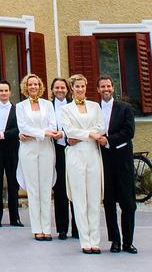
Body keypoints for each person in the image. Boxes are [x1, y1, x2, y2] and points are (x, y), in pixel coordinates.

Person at [60, 74, 104, 254]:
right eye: (77, 87)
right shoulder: (66, 110)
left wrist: (84, 135)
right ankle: (85, 240)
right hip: (76, 155)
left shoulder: (95, 107)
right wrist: (90, 134)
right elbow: (69, 130)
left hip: (93, 153)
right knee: (79, 198)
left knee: (94, 198)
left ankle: (96, 240)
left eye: (82, 86)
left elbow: (101, 127)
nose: (80, 89)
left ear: (86, 87)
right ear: (72, 89)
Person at [97, 76, 138, 254]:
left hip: (122, 161)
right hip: (103, 161)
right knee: (109, 203)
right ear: (98, 90)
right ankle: (115, 241)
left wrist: (108, 141)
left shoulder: (125, 108)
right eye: (102, 87)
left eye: (108, 86)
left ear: (113, 88)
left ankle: (128, 242)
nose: (106, 89)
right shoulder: (94, 109)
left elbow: (129, 132)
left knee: (128, 204)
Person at [16, 74, 58, 241]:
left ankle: (47, 228)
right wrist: (42, 133)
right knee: (33, 188)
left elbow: (52, 125)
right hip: (28, 149)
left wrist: (37, 133)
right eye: (30, 84)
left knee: (45, 187)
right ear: (26, 87)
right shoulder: (20, 106)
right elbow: (23, 127)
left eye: (36, 84)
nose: (33, 87)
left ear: (40, 86)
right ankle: (37, 228)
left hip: (46, 148)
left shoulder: (48, 105)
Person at [0, 81, 23, 227]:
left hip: (12, 149)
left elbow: (18, 129)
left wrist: (3, 134)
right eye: (1, 90)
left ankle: (14, 217)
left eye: (6, 90)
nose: (3, 93)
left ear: (10, 92)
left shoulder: (17, 110)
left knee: (13, 183)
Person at [51, 77, 78, 240]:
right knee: (60, 188)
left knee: (75, 187)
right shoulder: (47, 106)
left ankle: (77, 228)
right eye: (57, 87)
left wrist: (65, 133)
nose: (60, 90)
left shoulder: (73, 106)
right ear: (52, 90)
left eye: (63, 88)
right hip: (56, 150)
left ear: (67, 90)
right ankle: (62, 228)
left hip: (72, 148)